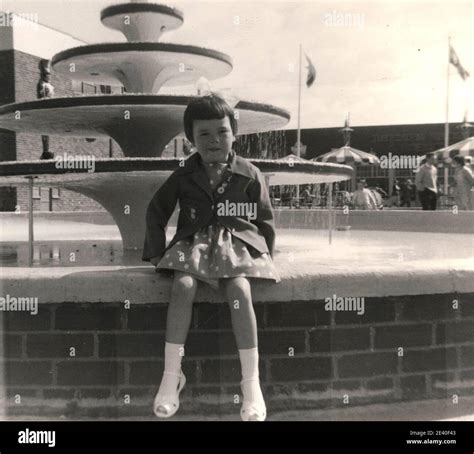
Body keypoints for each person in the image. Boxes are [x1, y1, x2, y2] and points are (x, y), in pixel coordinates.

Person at [142, 94, 279, 421]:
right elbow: (156, 210)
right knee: (183, 287)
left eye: (221, 132)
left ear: (234, 132)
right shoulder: (184, 173)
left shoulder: (249, 173)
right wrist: (157, 252)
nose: (214, 140)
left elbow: (265, 218)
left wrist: (265, 254)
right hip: (194, 246)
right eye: (203, 134)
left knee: (239, 291)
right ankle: (171, 376)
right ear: (191, 139)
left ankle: (251, 384)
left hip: (234, 246)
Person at [37, 60, 55, 160]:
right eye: (48, 75)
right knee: (45, 132)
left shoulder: (46, 85)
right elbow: (44, 98)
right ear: (44, 76)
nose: (49, 77)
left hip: (48, 111)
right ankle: (45, 152)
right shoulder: (43, 85)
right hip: (44, 111)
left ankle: (46, 151)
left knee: (47, 132)